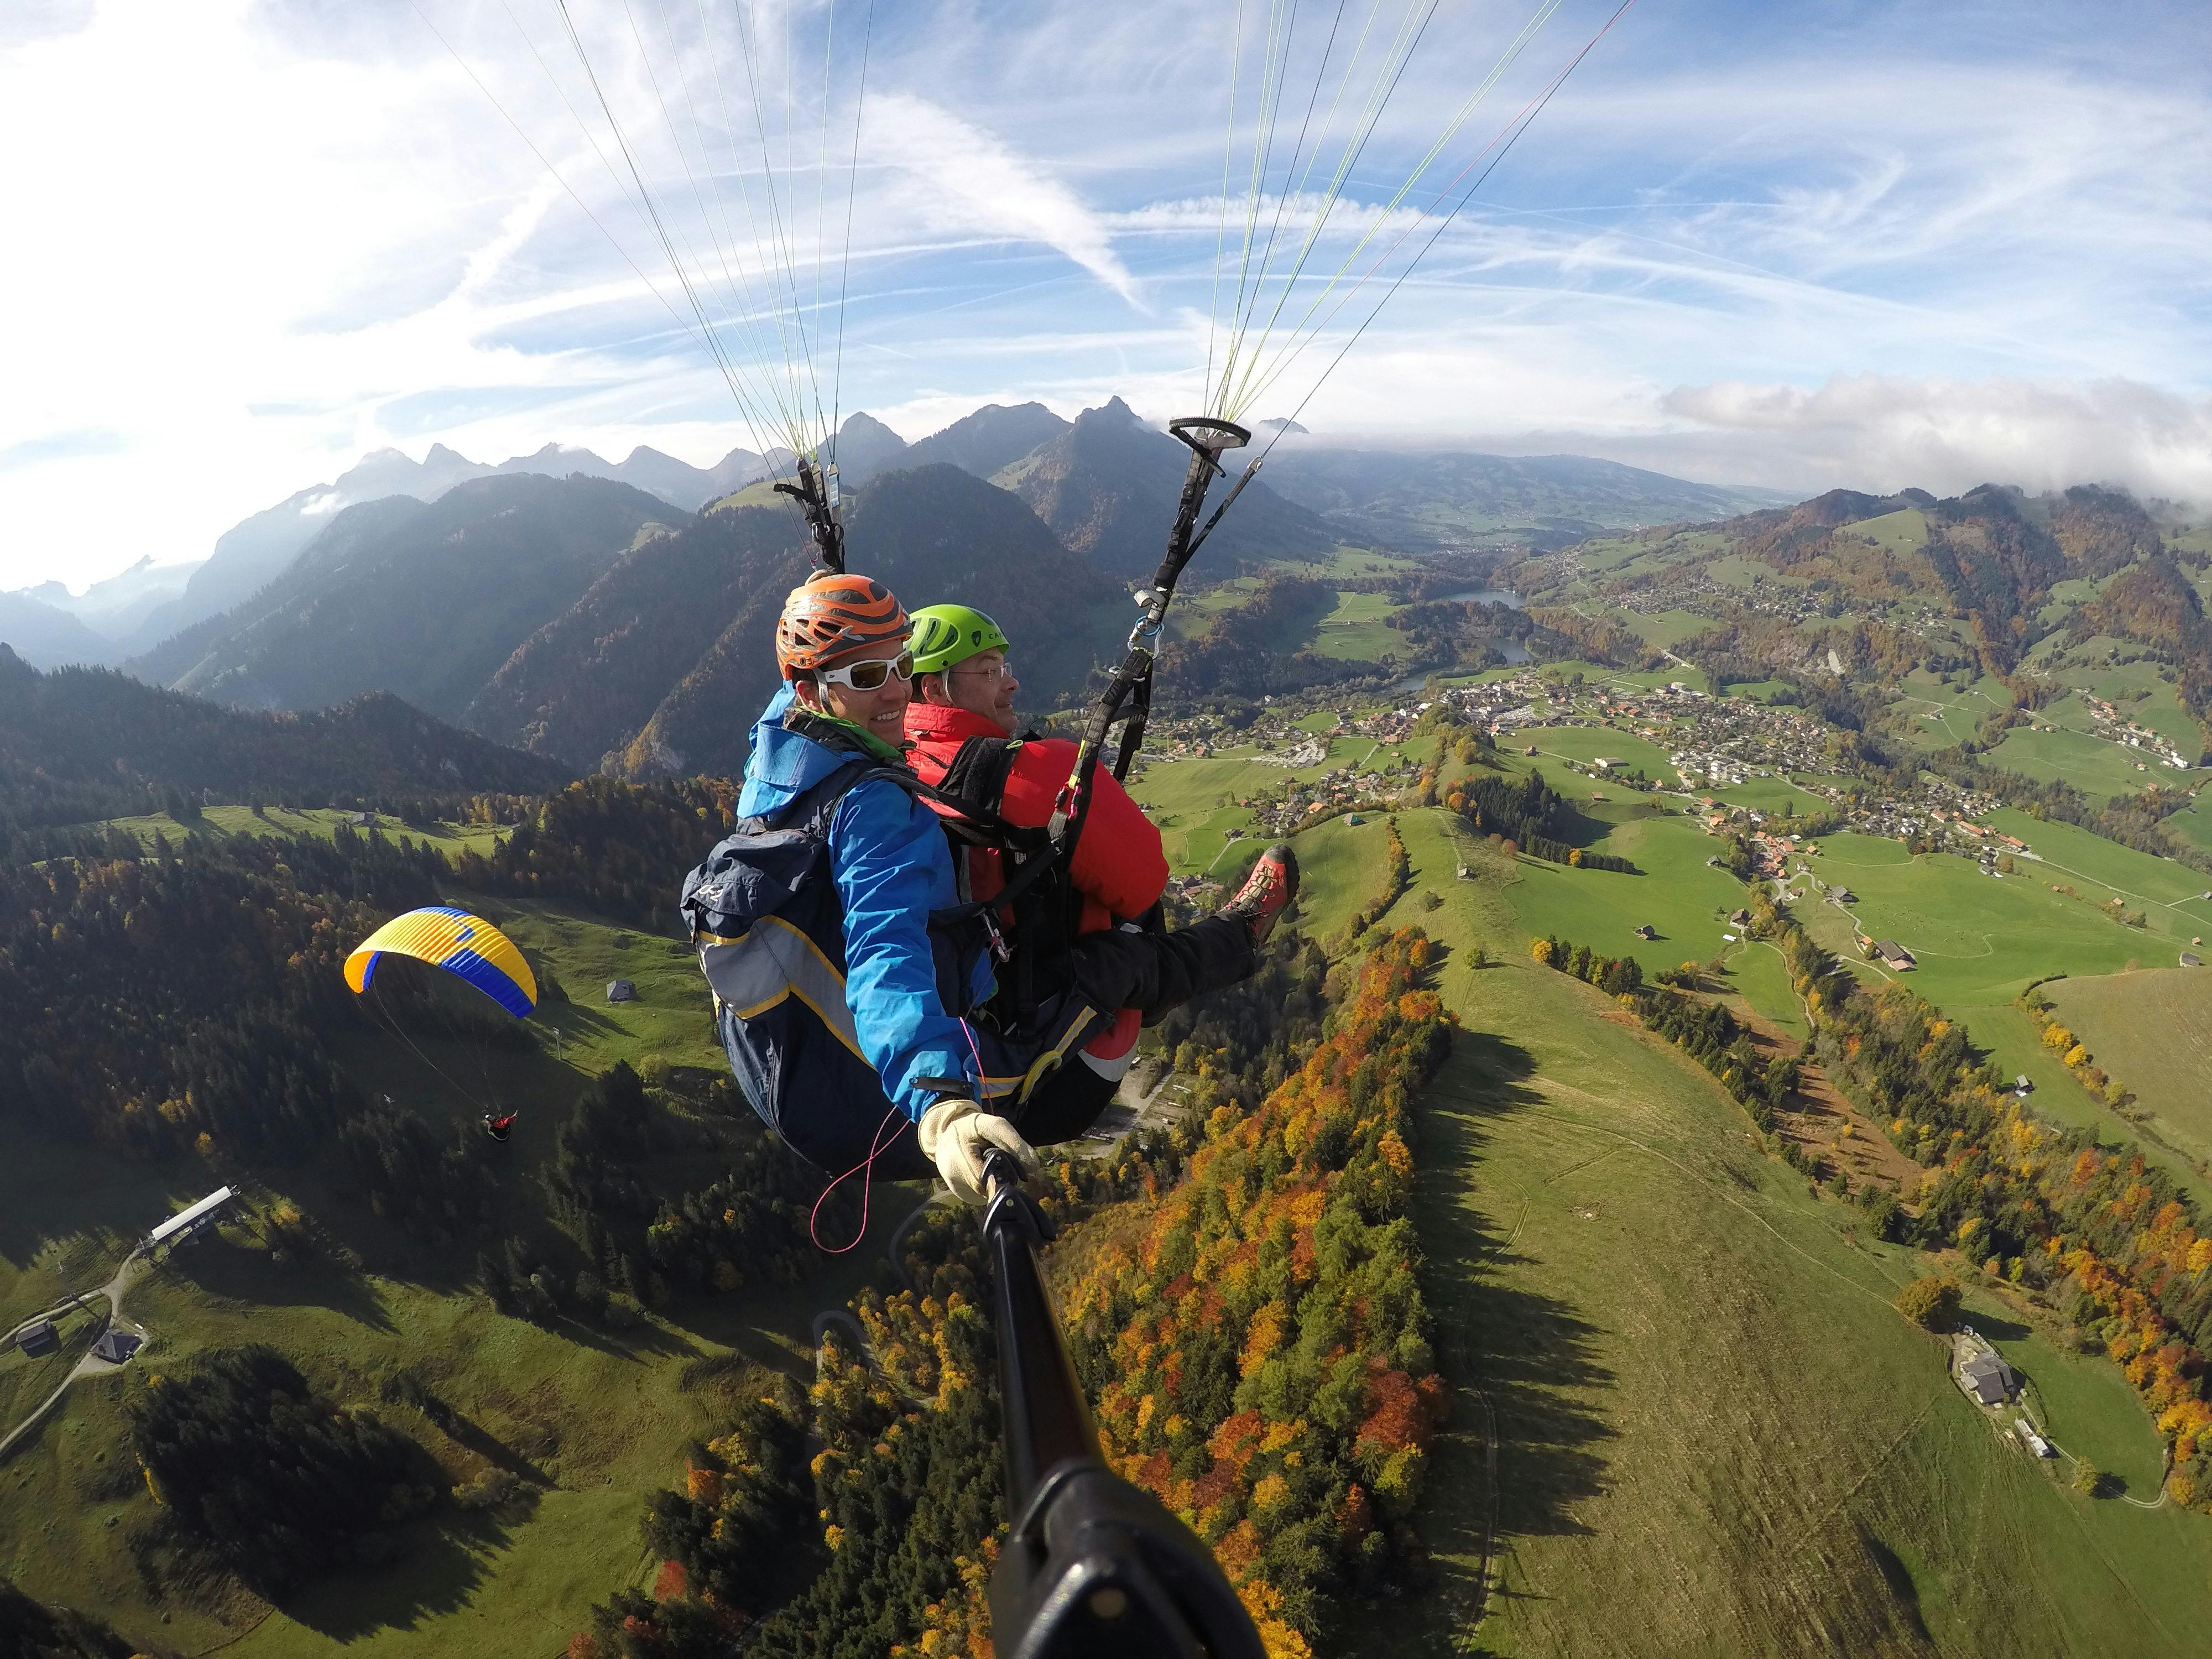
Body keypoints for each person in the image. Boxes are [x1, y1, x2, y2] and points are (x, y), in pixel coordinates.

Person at [681, 572, 1296, 1208]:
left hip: (801, 1071)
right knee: (1114, 968)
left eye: (899, 665)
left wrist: (822, 595)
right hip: (909, 1094)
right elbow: (884, 947)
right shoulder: (876, 805)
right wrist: (941, 1104)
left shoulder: (778, 756)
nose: (891, 690)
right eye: (868, 678)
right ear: (810, 689)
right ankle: (1239, 936)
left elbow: (803, 692)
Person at [902, 603, 1287, 1094]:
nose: (1011, 683)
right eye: (991, 670)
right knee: (1126, 947)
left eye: (1007, 668)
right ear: (935, 688)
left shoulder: (888, 768)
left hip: (951, 1030)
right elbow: (1146, 881)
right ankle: (1241, 933)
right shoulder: (1038, 771)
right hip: (1061, 1049)